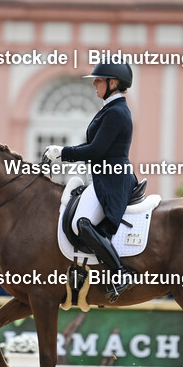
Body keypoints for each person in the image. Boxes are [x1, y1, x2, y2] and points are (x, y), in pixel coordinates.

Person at [44, 62, 139, 301]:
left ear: (113, 83)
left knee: (82, 222)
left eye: (99, 80)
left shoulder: (116, 112)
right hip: (103, 177)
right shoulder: (110, 109)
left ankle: (120, 273)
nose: (94, 84)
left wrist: (62, 152)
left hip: (112, 179)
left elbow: (95, 150)